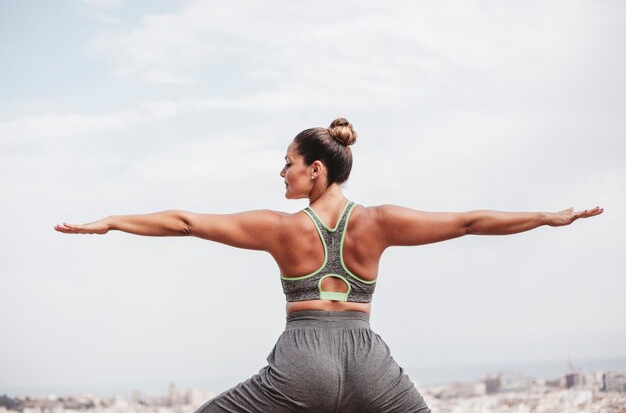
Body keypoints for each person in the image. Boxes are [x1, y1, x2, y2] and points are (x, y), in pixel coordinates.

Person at [54, 117, 603, 412]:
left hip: (303, 362)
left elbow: (185, 221)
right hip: (368, 361)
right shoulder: (381, 221)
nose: (281, 173)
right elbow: (468, 222)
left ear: (315, 170)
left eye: (287, 163)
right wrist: (546, 218)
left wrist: (110, 221)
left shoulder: (281, 228)